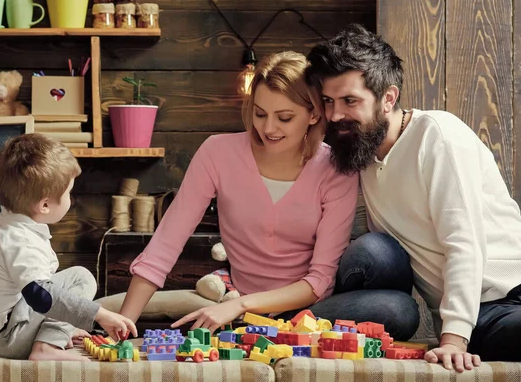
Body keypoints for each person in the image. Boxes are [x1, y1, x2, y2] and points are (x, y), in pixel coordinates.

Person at [116, 50, 420, 342]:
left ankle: (275, 332)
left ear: (314, 114)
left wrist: (239, 306)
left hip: (307, 310)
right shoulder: (217, 153)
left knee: (399, 307)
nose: (268, 128)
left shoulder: (335, 169)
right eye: (260, 114)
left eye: (284, 117)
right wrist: (122, 325)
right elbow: (164, 246)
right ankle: (264, 331)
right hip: (249, 310)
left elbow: (319, 282)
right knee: (398, 309)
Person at [306, 23, 521, 370]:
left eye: (349, 101)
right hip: (487, 314)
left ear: (388, 98)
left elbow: (464, 240)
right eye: (328, 101)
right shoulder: (358, 154)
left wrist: (454, 339)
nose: (335, 115)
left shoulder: (437, 136)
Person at [0, 133, 137, 361]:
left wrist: (68, 326)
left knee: (59, 286)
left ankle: (52, 337)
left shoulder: (9, 227)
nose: (70, 200)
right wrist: (100, 315)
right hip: (3, 340)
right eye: (68, 193)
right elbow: (41, 296)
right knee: (80, 279)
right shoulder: (19, 240)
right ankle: (46, 348)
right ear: (44, 204)